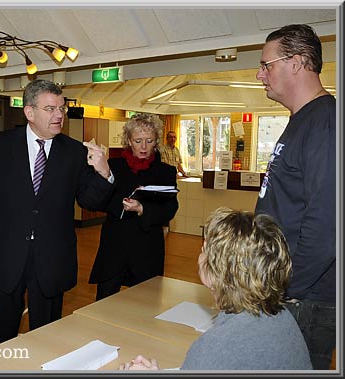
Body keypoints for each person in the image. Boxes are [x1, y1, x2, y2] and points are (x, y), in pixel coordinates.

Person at [0, 79, 114, 346]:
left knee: (47, 340)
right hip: (4, 257)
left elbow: (90, 201)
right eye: (50, 108)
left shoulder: (73, 151)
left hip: (51, 261)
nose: (59, 115)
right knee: (1, 340)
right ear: (29, 112)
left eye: (61, 108)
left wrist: (103, 172)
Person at [120, 207, 312, 370]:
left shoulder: (217, 346)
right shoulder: (283, 317)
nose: (200, 253)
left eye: (205, 250)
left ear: (218, 271)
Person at [254, 24, 335, 370]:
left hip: (306, 300)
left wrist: (284, 288)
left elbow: (327, 226)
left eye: (266, 65)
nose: (260, 75)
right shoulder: (302, 120)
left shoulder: (326, 122)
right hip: (288, 292)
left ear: (298, 62)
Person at [88, 113, 178, 300]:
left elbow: (170, 209)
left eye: (149, 140)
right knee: (104, 306)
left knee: (146, 305)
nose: (144, 147)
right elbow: (98, 201)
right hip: (114, 246)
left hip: (147, 249)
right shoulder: (112, 166)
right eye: (138, 141)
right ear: (129, 140)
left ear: (156, 142)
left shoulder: (165, 172)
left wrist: (142, 209)